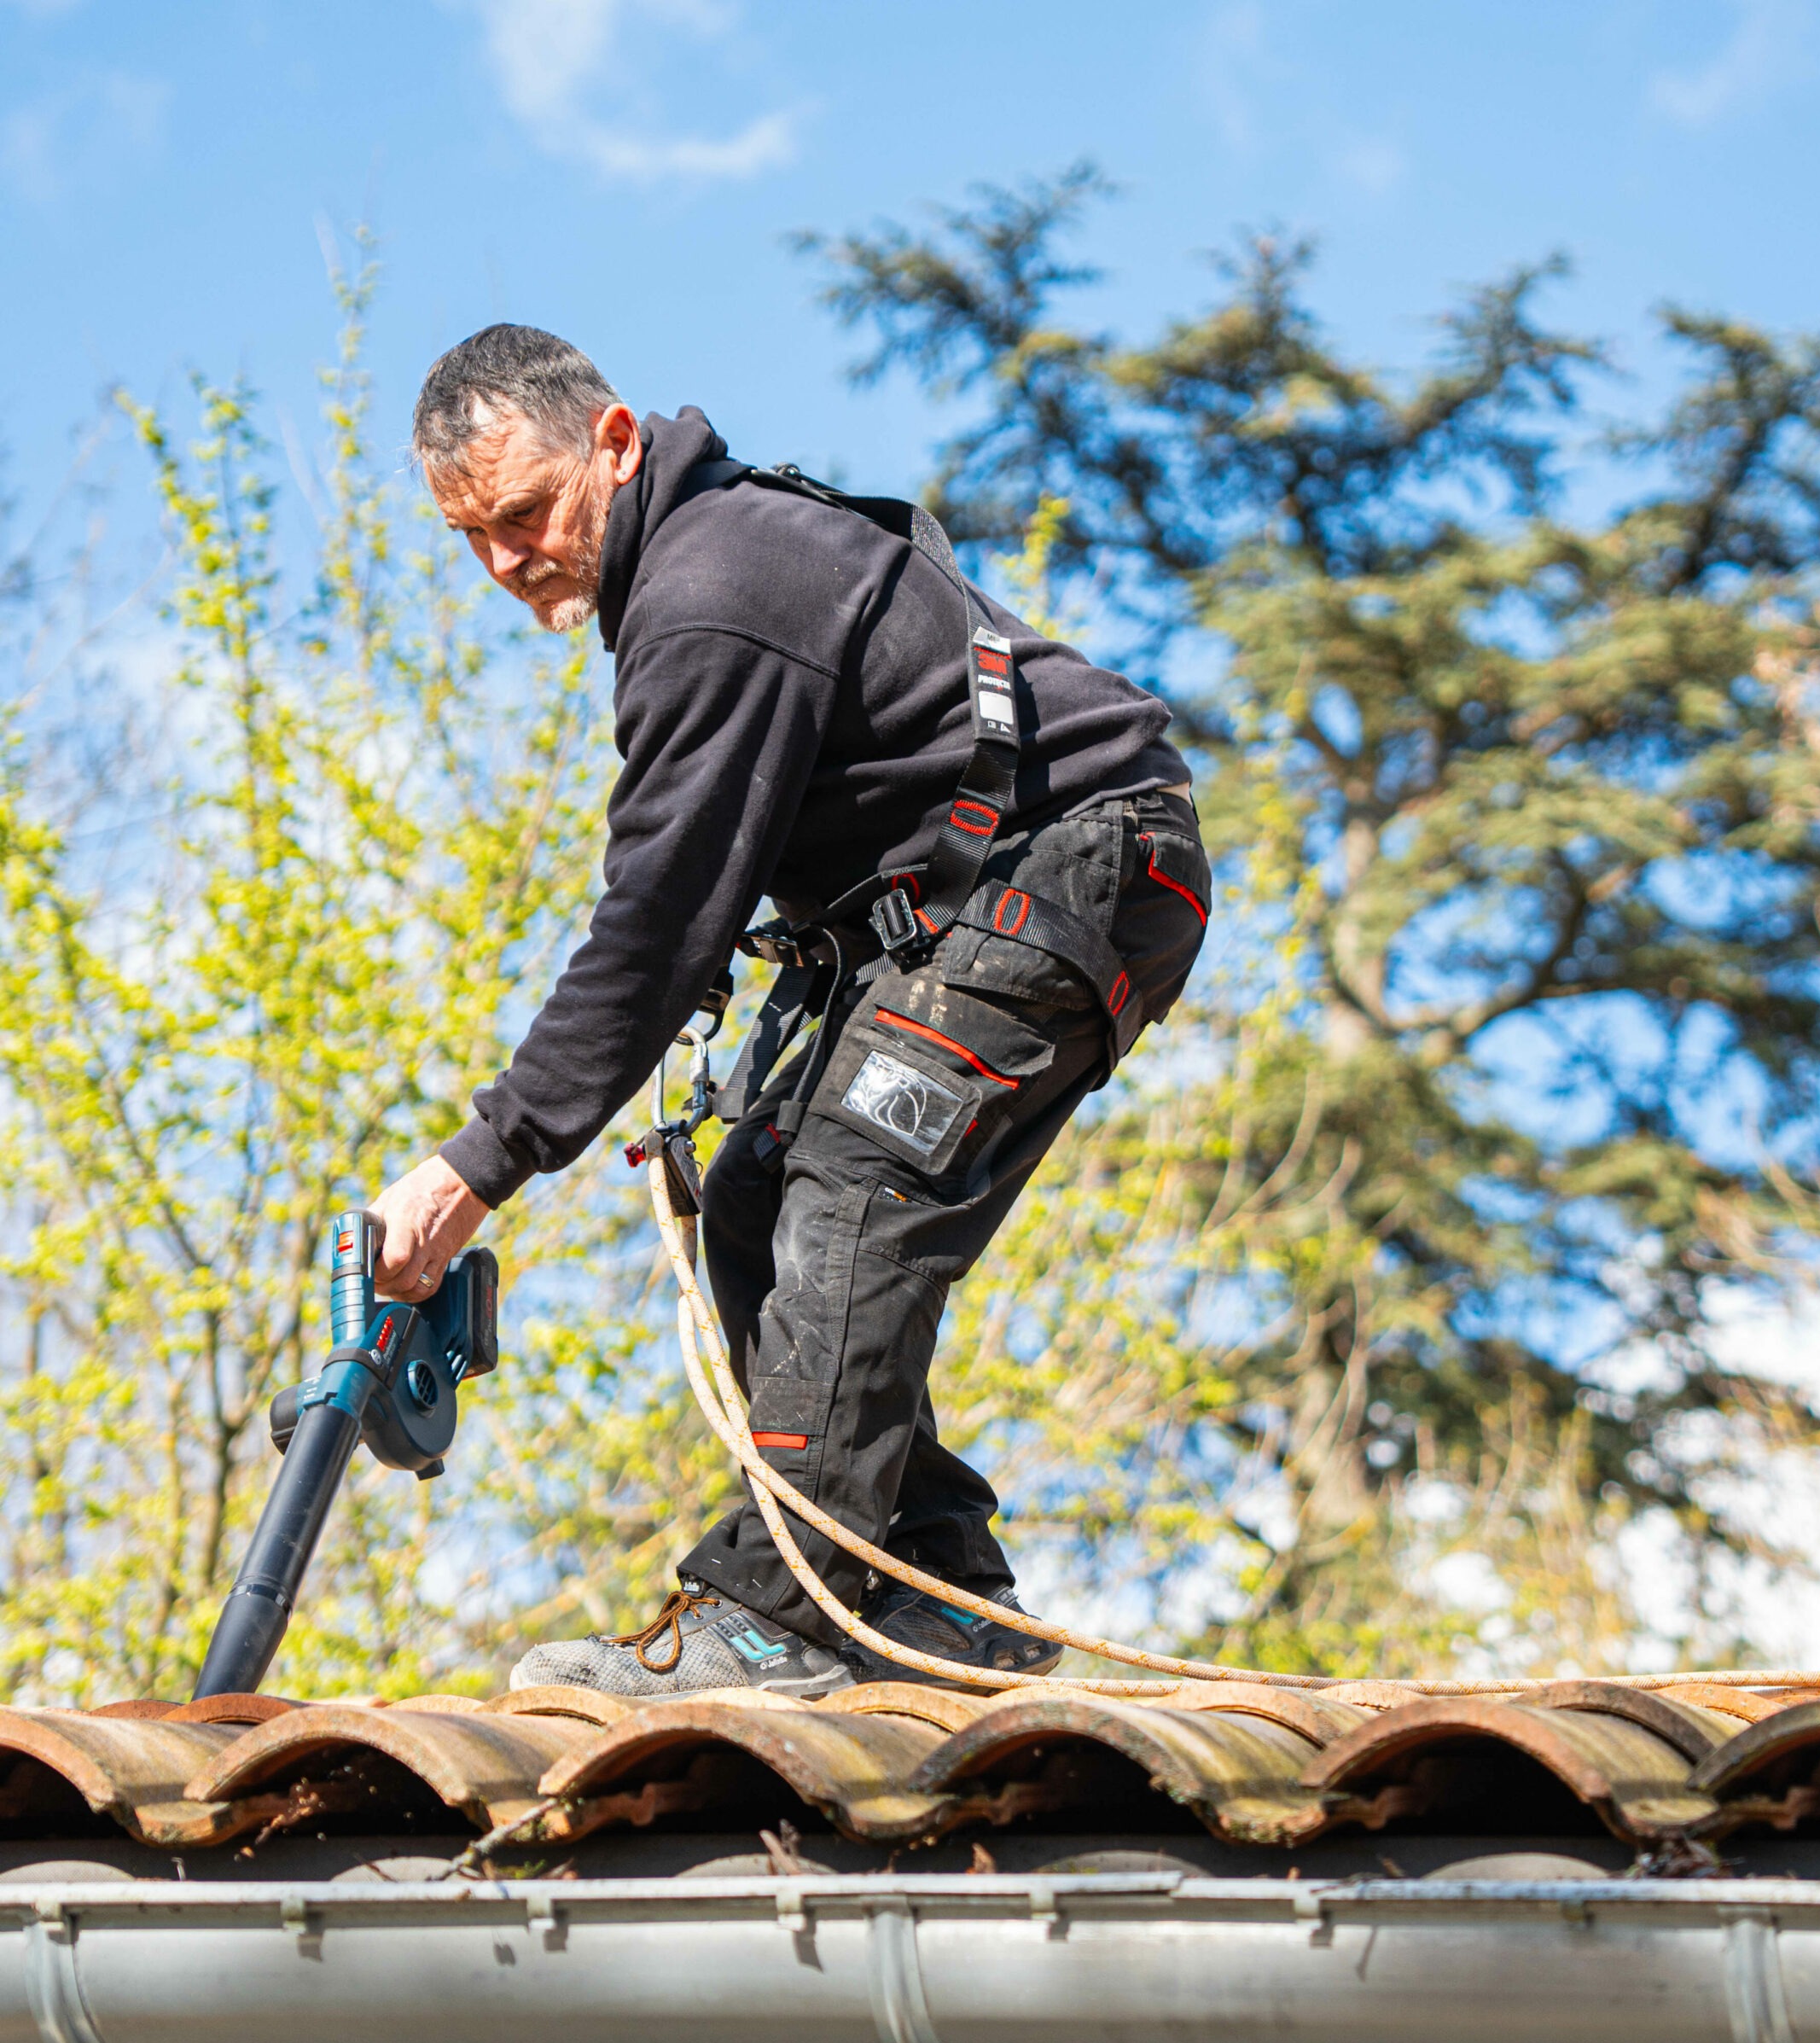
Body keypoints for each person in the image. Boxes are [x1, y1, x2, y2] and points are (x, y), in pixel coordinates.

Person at [372, 325, 1209, 1696]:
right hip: (977, 893)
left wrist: (483, 1163)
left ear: (615, 440)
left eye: (523, 514)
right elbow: (702, 879)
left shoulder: (709, 589)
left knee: (861, 1178)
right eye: (471, 536)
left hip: (1080, 861)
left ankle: (781, 1616)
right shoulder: (695, 578)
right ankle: (934, 1595)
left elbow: (654, 921)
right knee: (753, 1195)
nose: (508, 559)